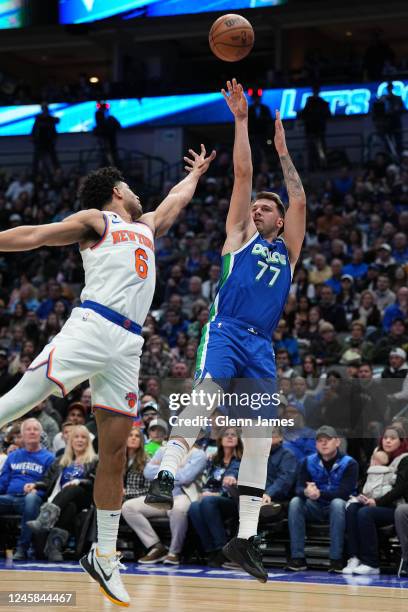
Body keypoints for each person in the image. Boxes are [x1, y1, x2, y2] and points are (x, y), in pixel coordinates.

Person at [0, 149, 216, 606]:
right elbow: (37, 235)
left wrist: (195, 175)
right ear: (118, 191)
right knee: (19, 402)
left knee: (115, 451)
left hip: (129, 345)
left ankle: (104, 555)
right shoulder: (98, 220)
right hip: (92, 327)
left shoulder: (146, 226)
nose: (140, 194)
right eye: (132, 188)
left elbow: (176, 199)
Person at [145, 78, 306, 583]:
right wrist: (240, 121)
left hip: (261, 346)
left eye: (267, 208)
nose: (258, 209)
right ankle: (164, 475)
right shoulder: (238, 236)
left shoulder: (289, 250)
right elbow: (242, 176)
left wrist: (283, 154)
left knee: (259, 439)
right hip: (227, 330)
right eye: (255, 207)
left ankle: (245, 537)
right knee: (202, 399)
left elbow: (299, 197)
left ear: (280, 220)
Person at [287, 426, 358, 573]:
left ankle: (336, 559)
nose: (323, 444)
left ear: (337, 442)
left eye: (328, 440)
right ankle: (297, 558)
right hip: (315, 507)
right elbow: (298, 488)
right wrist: (306, 492)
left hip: (341, 508)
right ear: (315, 444)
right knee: (295, 502)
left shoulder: (350, 463)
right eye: (320, 441)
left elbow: (344, 493)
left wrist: (320, 494)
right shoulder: (307, 461)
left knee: (337, 503)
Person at [122, 443, 207, 566]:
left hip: (183, 495)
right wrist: (178, 468)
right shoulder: (163, 450)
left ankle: (174, 552)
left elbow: (186, 477)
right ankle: (156, 546)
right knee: (128, 507)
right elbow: (148, 472)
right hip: (160, 495)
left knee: (178, 509)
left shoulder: (198, 454)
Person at [26, 425, 97, 561]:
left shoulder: (95, 460)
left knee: (72, 488)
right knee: (69, 507)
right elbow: (47, 481)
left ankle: (44, 520)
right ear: (70, 441)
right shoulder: (60, 461)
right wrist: (35, 485)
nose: (80, 440)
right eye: (76, 437)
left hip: (84, 497)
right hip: (64, 502)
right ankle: (54, 547)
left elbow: (96, 482)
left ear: (88, 441)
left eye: (83, 437)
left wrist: (80, 481)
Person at [343, 425, 408, 575]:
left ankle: (371, 563)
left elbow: (400, 489)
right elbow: (364, 481)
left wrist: (377, 502)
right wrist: (362, 495)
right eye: (385, 438)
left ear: (401, 441)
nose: (388, 441)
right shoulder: (376, 456)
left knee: (366, 513)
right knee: (352, 508)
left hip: (396, 507)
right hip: (375, 502)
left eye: (392, 438)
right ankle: (354, 557)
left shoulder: (405, 459)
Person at [0, 418, 54, 560]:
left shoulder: (49, 458)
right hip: (9, 498)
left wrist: (38, 490)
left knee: (31, 499)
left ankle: (22, 548)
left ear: (40, 434)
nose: (32, 432)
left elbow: (49, 484)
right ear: (22, 435)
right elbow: (3, 482)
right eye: (28, 429)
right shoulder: (12, 456)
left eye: (35, 429)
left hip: (32, 499)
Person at [188, 428, 242, 566]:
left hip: (234, 501)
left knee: (208, 501)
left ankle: (222, 548)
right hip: (211, 500)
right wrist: (203, 492)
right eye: (226, 435)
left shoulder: (241, 460)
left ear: (238, 440)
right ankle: (211, 550)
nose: (229, 437)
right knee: (194, 507)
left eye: (233, 435)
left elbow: (233, 484)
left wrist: (215, 494)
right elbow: (206, 481)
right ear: (220, 439)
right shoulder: (213, 460)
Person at [297, 86, 331, 171]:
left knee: (320, 150)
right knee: (311, 150)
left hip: (319, 131)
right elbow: (303, 114)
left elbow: (328, 115)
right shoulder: (310, 102)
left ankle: (322, 166)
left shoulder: (322, 103)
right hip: (311, 131)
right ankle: (313, 167)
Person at [31, 103, 60, 175]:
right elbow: (34, 129)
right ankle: (35, 173)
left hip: (49, 141)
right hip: (40, 142)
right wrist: (33, 138)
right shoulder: (39, 118)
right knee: (37, 158)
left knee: (53, 158)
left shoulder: (50, 119)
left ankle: (58, 171)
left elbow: (57, 121)